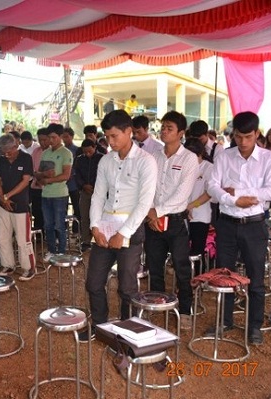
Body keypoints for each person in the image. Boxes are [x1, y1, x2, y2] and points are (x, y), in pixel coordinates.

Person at [82, 110, 157, 342]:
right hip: (105, 227)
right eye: (107, 137)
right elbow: (97, 196)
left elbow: (144, 203)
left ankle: (127, 332)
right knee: (94, 282)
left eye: (114, 136)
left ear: (128, 132)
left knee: (127, 288)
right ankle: (100, 326)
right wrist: (95, 226)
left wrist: (122, 232)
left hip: (130, 231)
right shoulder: (106, 160)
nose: (110, 142)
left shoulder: (146, 162)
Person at [207, 111, 271, 345]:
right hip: (227, 224)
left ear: (257, 134)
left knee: (255, 278)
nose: (243, 142)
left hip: (254, 225)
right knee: (224, 275)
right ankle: (225, 320)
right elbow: (212, 186)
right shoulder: (224, 157)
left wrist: (236, 193)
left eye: (248, 137)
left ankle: (254, 326)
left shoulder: (269, 159)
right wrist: (232, 200)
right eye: (238, 136)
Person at [145, 111, 199, 330]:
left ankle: (185, 309)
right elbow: (147, 185)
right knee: (154, 264)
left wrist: (156, 211)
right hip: (152, 220)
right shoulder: (153, 155)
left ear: (181, 133)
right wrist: (150, 212)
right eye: (163, 127)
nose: (164, 131)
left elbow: (182, 194)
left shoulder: (189, 158)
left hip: (175, 221)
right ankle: (158, 304)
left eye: (169, 128)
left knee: (181, 266)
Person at [0, 134, 36, 280]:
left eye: (9, 151)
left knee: (22, 239)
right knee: (2, 237)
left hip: (20, 205)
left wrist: (8, 196)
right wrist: (2, 198)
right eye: (3, 152)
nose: (6, 154)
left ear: (15, 146)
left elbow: (25, 181)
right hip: (2, 205)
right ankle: (8, 265)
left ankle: (29, 268)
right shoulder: (1, 160)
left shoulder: (25, 158)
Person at [35, 123, 73, 261]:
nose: (51, 140)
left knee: (59, 224)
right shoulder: (45, 153)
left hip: (59, 195)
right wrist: (43, 175)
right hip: (45, 194)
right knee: (48, 225)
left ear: (61, 137)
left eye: (53, 137)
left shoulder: (66, 153)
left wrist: (48, 180)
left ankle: (61, 252)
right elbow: (38, 174)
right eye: (49, 137)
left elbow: (66, 175)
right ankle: (51, 250)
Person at [184, 137, 213, 275]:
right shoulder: (184, 167)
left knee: (197, 249)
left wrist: (190, 206)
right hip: (182, 214)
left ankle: (197, 278)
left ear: (200, 154)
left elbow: (209, 193)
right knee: (182, 250)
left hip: (201, 216)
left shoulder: (208, 168)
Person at [74, 138, 104, 252]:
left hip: (99, 192)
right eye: (85, 152)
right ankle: (86, 241)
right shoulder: (79, 159)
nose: (87, 154)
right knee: (84, 216)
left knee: (99, 217)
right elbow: (76, 175)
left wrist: (96, 186)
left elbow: (104, 175)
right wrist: (83, 186)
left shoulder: (102, 158)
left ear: (95, 148)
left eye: (89, 151)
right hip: (85, 192)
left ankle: (100, 239)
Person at [62, 127, 80, 233]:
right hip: (63, 184)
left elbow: (79, 167)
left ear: (72, 137)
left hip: (74, 184)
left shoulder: (77, 150)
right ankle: (63, 229)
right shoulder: (61, 151)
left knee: (76, 207)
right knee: (62, 207)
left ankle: (76, 229)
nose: (65, 139)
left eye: (67, 137)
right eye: (63, 137)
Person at [30, 128, 49, 231]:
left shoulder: (53, 152)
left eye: (44, 139)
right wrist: (36, 175)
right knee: (37, 212)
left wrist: (41, 176)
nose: (42, 142)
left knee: (49, 212)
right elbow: (31, 168)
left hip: (49, 187)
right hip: (36, 187)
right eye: (40, 140)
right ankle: (39, 234)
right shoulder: (36, 151)